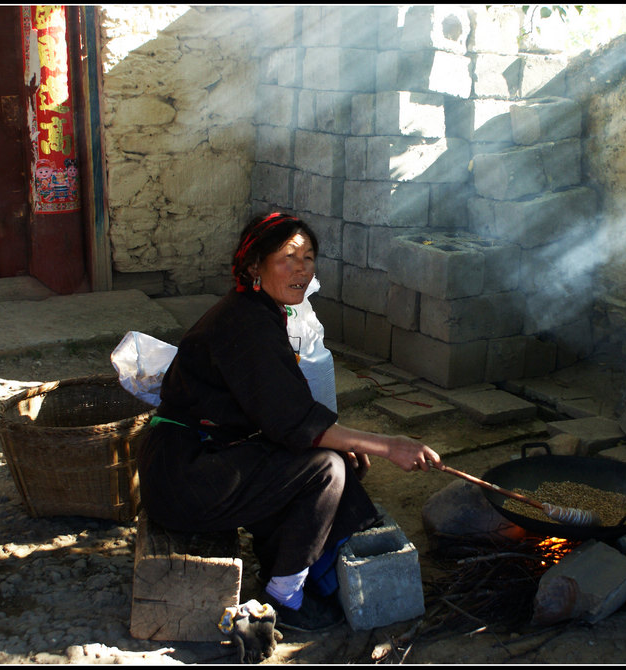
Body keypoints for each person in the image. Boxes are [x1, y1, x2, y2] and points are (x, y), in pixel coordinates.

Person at [137, 211, 441, 632]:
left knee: (336, 459)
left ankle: (300, 567)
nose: (301, 268)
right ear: (253, 266)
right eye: (288, 257)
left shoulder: (259, 312)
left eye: (309, 257)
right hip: (184, 476)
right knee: (327, 470)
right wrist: (390, 444)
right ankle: (283, 597)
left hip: (200, 459)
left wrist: (346, 443)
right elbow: (293, 420)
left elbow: (282, 413)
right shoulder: (246, 322)